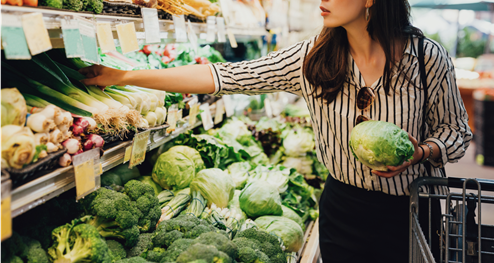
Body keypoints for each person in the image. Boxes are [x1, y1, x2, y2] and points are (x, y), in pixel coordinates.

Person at [80, 0, 472, 262]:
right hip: (344, 209)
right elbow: (227, 75)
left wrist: (419, 153)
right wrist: (126, 75)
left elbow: (456, 132)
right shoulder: (313, 57)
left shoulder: (425, 59)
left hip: (412, 211)